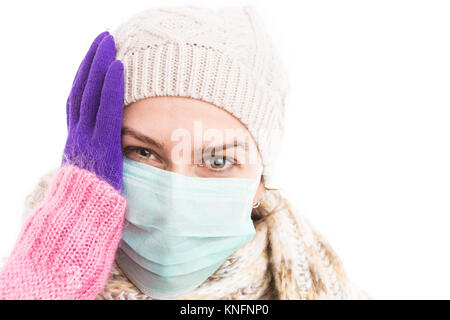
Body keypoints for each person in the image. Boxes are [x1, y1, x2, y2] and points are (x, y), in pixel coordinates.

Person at [0, 5, 370, 300]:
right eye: (142, 152)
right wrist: (52, 273)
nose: (173, 201)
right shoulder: (28, 279)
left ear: (261, 180)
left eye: (219, 160)